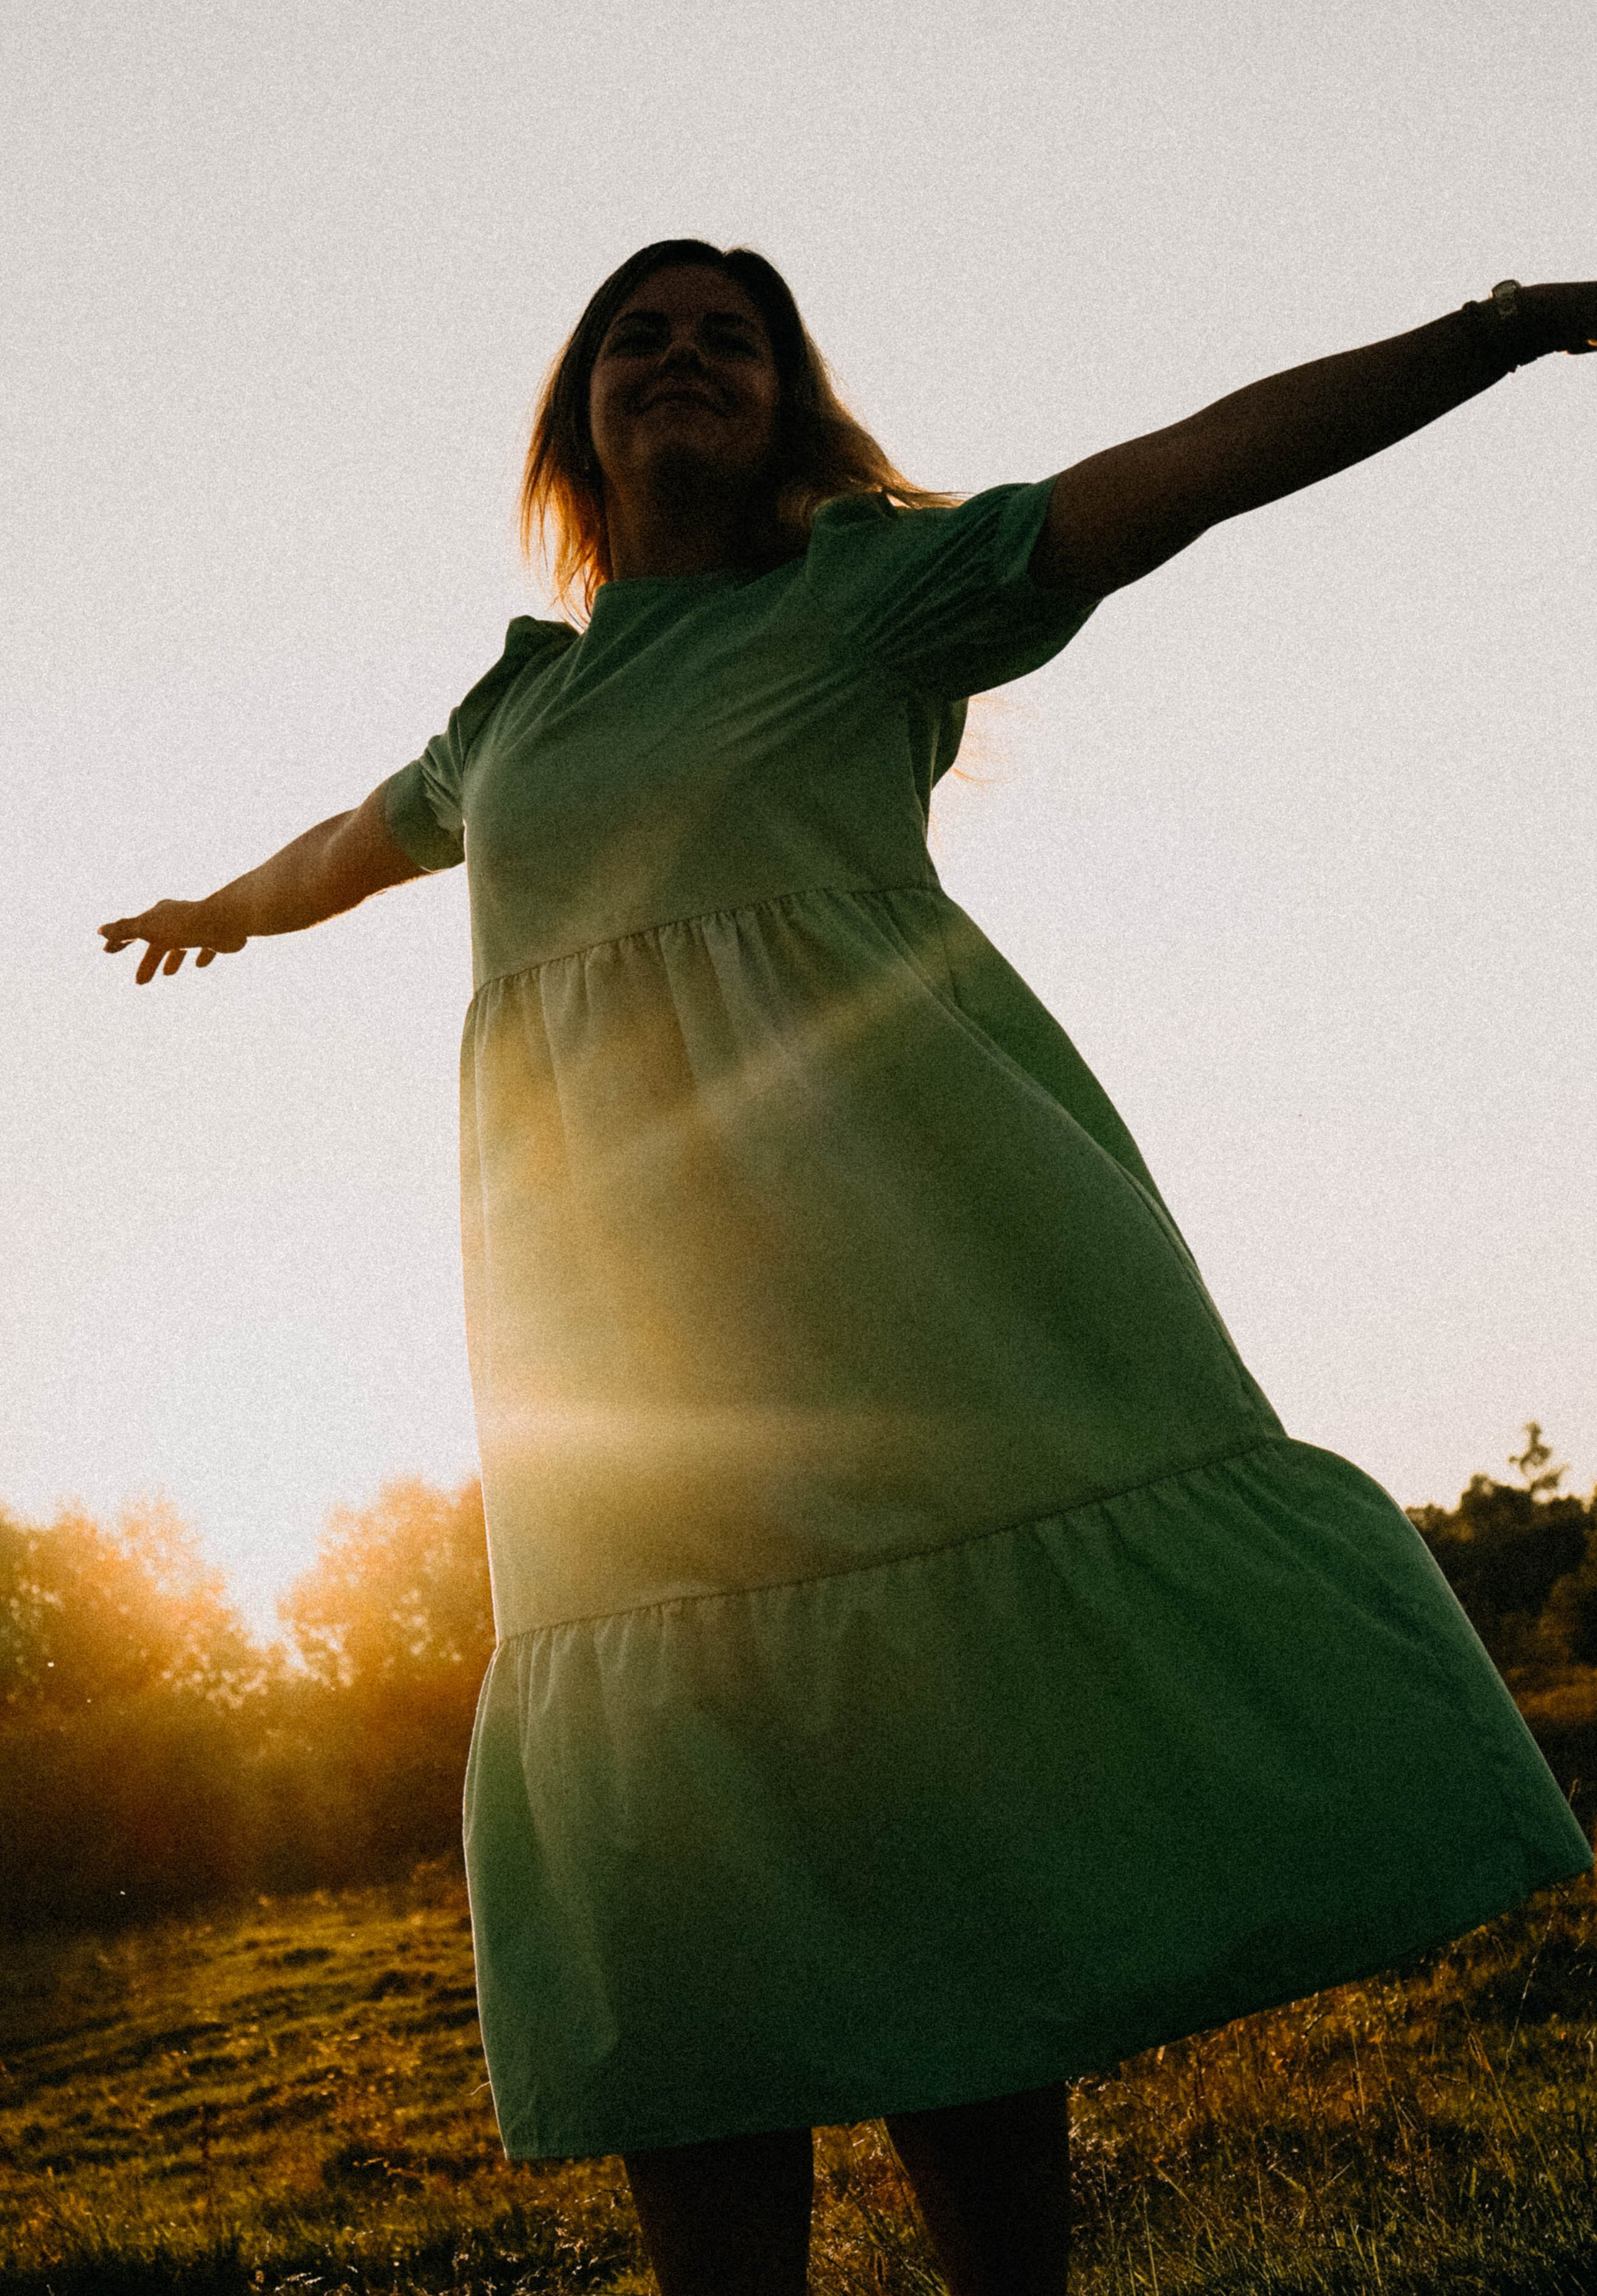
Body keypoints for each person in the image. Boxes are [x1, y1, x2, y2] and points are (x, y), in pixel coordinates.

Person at [101, 243, 1596, 2296]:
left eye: (733, 338)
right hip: (609, 1337)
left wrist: (1498, 332)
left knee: (933, 1832)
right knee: (686, 1859)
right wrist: (219, 909)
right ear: (580, 416)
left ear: (787, 406)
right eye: (645, 334)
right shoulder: (512, 710)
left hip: (902, 1287)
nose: (687, 358)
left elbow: (1196, 471)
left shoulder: (881, 594)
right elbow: (353, 843)